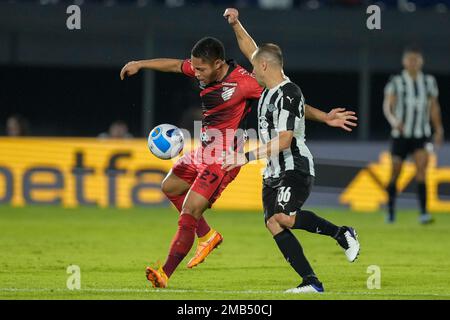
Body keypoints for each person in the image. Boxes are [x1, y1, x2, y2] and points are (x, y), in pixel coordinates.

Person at [222, 8, 360, 293]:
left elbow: (285, 141)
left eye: (254, 66)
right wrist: (236, 23)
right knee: (274, 223)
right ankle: (311, 282)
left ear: (265, 67)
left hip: (294, 165)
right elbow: (252, 49)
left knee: (283, 216)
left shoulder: (288, 91)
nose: (250, 69)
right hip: (272, 170)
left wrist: (244, 157)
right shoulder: (271, 90)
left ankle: (341, 233)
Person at [121, 36, 264, 287]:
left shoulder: (244, 82)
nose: (195, 73)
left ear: (218, 64)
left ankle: (164, 273)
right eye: (194, 67)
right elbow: (176, 65)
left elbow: (286, 99)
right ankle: (207, 235)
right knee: (170, 187)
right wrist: (140, 63)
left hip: (223, 158)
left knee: (190, 210)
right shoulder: (204, 69)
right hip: (205, 150)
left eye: (200, 69)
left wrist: (325, 117)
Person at [383, 45, 444, 224]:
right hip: (400, 134)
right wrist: (394, 121)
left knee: (421, 171)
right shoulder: (396, 81)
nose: (413, 63)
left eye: (416, 60)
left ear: (421, 62)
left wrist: (439, 129)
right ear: (404, 61)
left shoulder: (428, 82)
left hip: (420, 134)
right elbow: (388, 105)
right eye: (410, 59)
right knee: (395, 171)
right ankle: (391, 210)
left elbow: (434, 107)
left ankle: (424, 213)